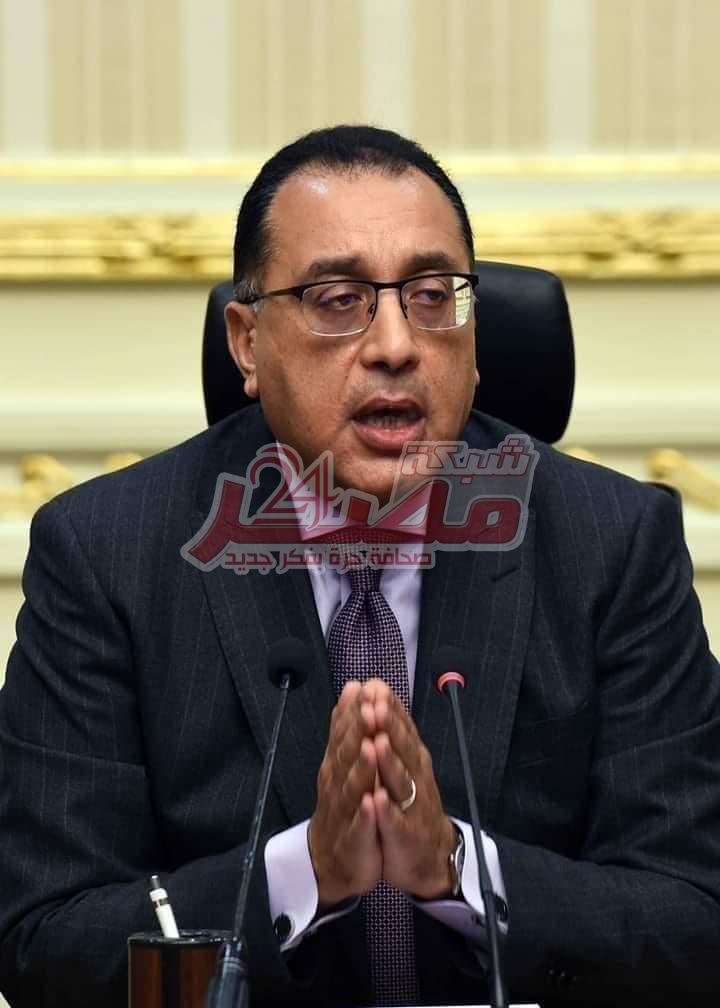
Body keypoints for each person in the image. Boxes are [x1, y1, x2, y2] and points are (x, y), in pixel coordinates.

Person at [1, 125, 719, 1008]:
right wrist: (305, 872)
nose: (395, 345)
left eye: (432, 296)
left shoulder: (613, 544)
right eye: (338, 299)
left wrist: (458, 867)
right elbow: (44, 938)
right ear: (247, 343)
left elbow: (696, 920)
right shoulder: (107, 554)